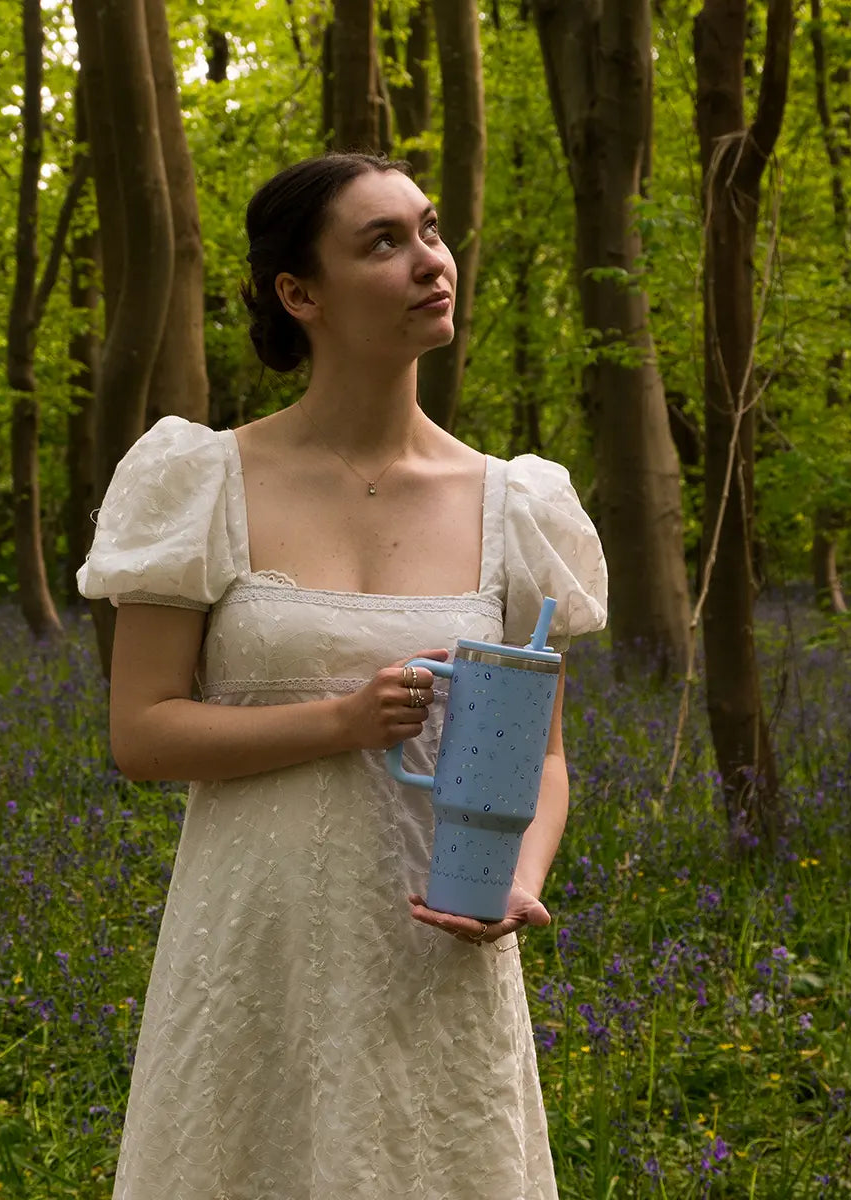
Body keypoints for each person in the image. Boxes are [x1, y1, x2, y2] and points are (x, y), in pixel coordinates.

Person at [77, 153, 608, 1200]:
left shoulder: (517, 505)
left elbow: (540, 757)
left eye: (431, 230)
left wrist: (520, 880)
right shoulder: (201, 479)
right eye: (384, 242)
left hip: (435, 947)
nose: (429, 261)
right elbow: (142, 734)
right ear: (299, 293)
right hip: (254, 948)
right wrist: (341, 719)